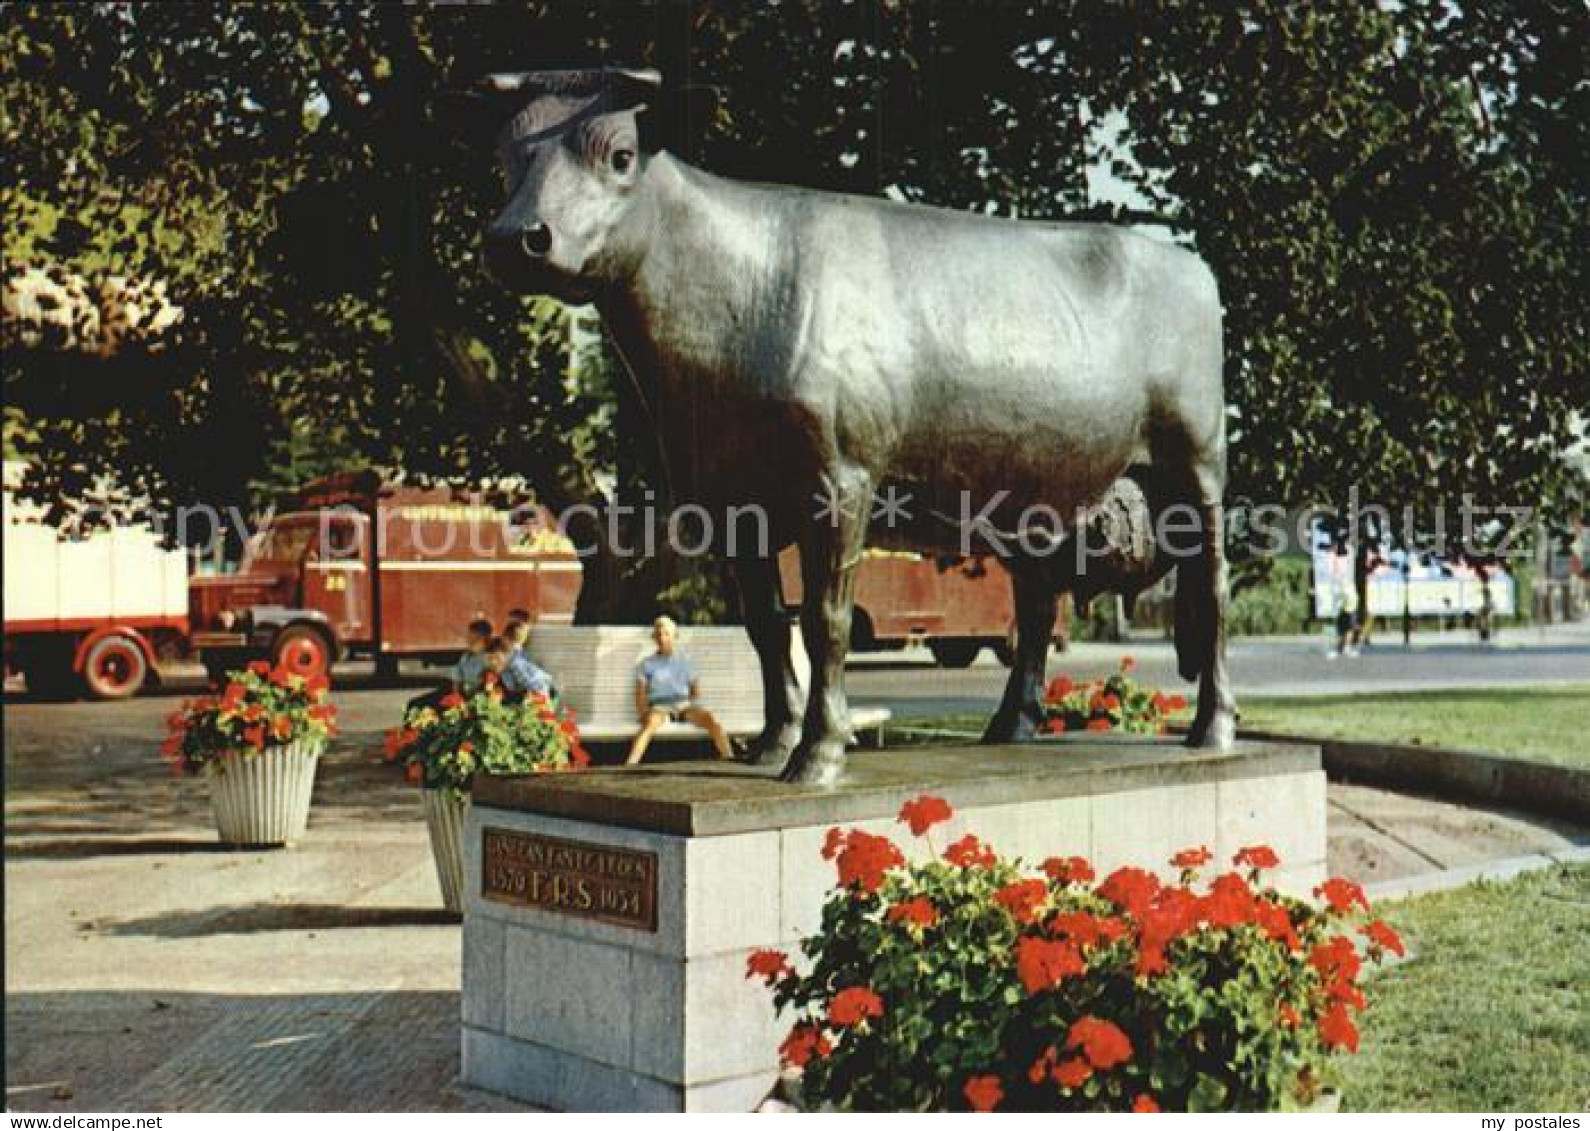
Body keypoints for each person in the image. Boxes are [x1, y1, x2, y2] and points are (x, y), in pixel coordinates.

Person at [626, 615, 734, 766]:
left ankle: (729, 759)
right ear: (655, 638)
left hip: (683, 705)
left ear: (674, 637)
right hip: (660, 706)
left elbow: (695, 691)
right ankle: (630, 764)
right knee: (650, 723)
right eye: (658, 635)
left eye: (666, 634)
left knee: (711, 720)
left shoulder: (685, 662)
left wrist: (683, 700)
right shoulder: (647, 664)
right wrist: (644, 712)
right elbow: (640, 694)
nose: (662, 638)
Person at [407, 617, 492, 714]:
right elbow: (456, 677)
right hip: (455, 692)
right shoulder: (467, 655)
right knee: (414, 704)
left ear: (482, 638)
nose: (468, 640)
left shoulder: (488, 658)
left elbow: (481, 685)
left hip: (470, 698)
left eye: (472, 637)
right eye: (469, 636)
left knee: (420, 707)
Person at [486, 633, 556, 704]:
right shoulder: (503, 666)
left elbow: (538, 688)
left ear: (507, 653)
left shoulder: (517, 666)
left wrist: (536, 699)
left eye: (496, 657)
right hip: (526, 690)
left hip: (543, 691)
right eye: (490, 659)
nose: (493, 662)